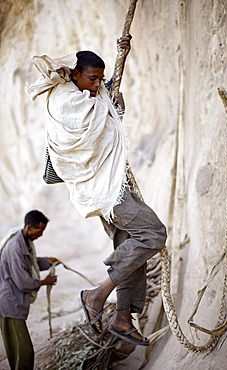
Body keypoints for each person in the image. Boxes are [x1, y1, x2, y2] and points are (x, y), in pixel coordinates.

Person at [26, 35, 167, 346]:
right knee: (153, 234)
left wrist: (121, 55)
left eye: (101, 79)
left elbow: (105, 106)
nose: (97, 84)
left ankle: (122, 319)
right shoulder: (66, 102)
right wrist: (113, 107)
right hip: (104, 191)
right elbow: (97, 128)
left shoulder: (89, 94)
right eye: (92, 78)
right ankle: (97, 295)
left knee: (131, 250)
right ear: (75, 74)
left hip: (108, 186)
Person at [0, 210, 59, 370]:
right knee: (24, 351)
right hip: (10, 303)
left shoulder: (24, 243)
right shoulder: (15, 248)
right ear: (28, 227)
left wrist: (47, 262)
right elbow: (23, 282)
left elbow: (30, 264)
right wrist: (44, 281)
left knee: (16, 351)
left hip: (12, 303)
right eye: (39, 231)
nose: (40, 235)